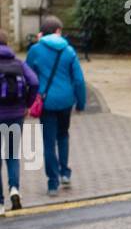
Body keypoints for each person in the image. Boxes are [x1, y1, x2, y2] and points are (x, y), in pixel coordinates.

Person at [25, 16, 87, 197]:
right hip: (66, 101)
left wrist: (27, 103)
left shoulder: (35, 50)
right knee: (63, 135)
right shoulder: (68, 50)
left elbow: (28, 77)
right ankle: (65, 174)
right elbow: (79, 80)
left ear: (42, 33)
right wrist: (80, 103)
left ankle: (52, 183)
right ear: (58, 31)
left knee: (48, 142)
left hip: (45, 102)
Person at [0, 29, 39, 216]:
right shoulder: (18, 63)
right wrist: (27, 105)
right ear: (7, 43)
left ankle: (0, 203)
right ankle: (14, 189)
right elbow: (35, 82)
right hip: (15, 114)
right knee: (12, 154)